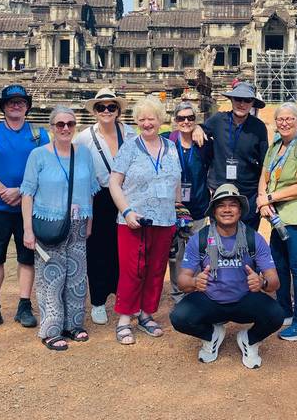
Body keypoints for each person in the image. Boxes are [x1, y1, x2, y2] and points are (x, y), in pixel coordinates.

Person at [171, 184, 284, 368]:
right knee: (179, 317)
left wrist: (262, 282)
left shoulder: (253, 238)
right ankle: (212, 335)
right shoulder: (199, 238)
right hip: (210, 299)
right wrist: (194, 282)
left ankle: (249, 339)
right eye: (221, 205)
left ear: (240, 210)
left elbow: (274, 282)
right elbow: (183, 281)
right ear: (214, 211)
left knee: (276, 315)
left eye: (233, 204)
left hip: (244, 299)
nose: (227, 210)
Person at [0, 84, 50, 334]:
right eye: (10, 102)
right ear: (3, 106)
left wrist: (21, 191)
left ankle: (24, 305)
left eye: (20, 102)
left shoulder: (39, 135)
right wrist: (5, 192)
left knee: (27, 258)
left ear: (27, 106)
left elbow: (46, 170)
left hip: (29, 208)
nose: (15, 105)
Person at [21, 106, 99, 350]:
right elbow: (27, 194)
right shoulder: (38, 155)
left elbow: (91, 190)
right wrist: (27, 230)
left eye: (70, 124)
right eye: (60, 124)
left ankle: (73, 324)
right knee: (51, 277)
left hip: (78, 222)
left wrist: (90, 221)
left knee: (76, 277)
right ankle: (51, 329)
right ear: (51, 128)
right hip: (49, 223)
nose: (66, 128)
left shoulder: (84, 153)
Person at [109, 97, 181, 345]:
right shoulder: (129, 147)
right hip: (133, 218)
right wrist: (127, 211)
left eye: (151, 118)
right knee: (132, 269)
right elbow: (114, 183)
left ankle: (146, 314)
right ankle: (124, 319)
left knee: (156, 268)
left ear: (160, 120)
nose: (147, 123)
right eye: (142, 119)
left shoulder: (171, 147)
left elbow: (176, 183)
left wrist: (179, 210)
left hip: (164, 218)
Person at [257, 103, 297, 341]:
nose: (284, 123)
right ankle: (285, 310)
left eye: (289, 119)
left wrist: (270, 197)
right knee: (280, 266)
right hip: (279, 217)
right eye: (280, 119)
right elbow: (263, 177)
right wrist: (262, 199)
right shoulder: (275, 147)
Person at [74, 87, 137, 325]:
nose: (107, 111)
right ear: (95, 111)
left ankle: (123, 296)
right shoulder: (83, 138)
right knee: (98, 250)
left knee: (125, 249)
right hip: (98, 197)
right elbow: (79, 174)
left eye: (112, 107)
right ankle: (99, 301)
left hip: (126, 196)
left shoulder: (130, 134)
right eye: (102, 107)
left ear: (119, 110)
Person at [193, 82, 268, 231]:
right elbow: (202, 127)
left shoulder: (258, 127)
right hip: (220, 190)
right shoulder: (218, 120)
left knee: (247, 239)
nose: (242, 104)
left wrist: (262, 194)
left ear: (252, 103)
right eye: (238, 99)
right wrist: (197, 128)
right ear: (232, 100)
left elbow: (265, 162)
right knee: (220, 238)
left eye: (247, 100)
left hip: (248, 192)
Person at [168, 101, 212, 303]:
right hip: (174, 208)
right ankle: (179, 294)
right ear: (175, 121)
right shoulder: (167, 143)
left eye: (191, 118)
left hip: (199, 206)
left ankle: (200, 288)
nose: (186, 122)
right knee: (176, 254)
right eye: (181, 118)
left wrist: (202, 128)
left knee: (200, 251)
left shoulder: (204, 144)